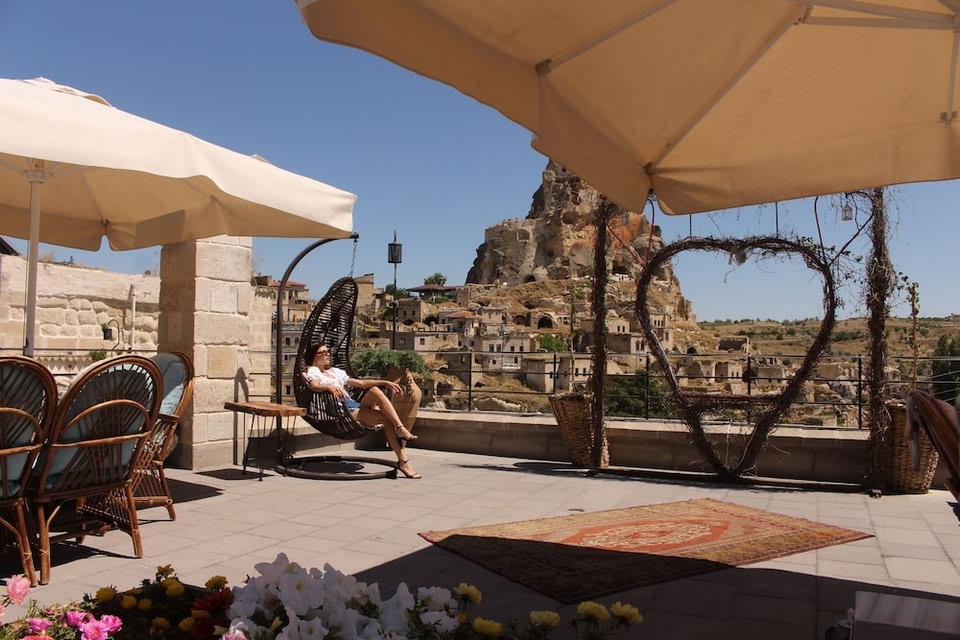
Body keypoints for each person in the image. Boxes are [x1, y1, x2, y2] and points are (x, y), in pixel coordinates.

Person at [303, 343, 421, 479]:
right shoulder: (313, 371)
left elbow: (361, 383)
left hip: (353, 405)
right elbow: (314, 385)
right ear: (314, 356)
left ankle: (400, 429)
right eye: (322, 352)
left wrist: (385, 382)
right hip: (343, 411)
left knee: (375, 390)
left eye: (327, 351)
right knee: (386, 419)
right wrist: (328, 387)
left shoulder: (335, 372)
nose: (327, 354)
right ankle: (404, 460)